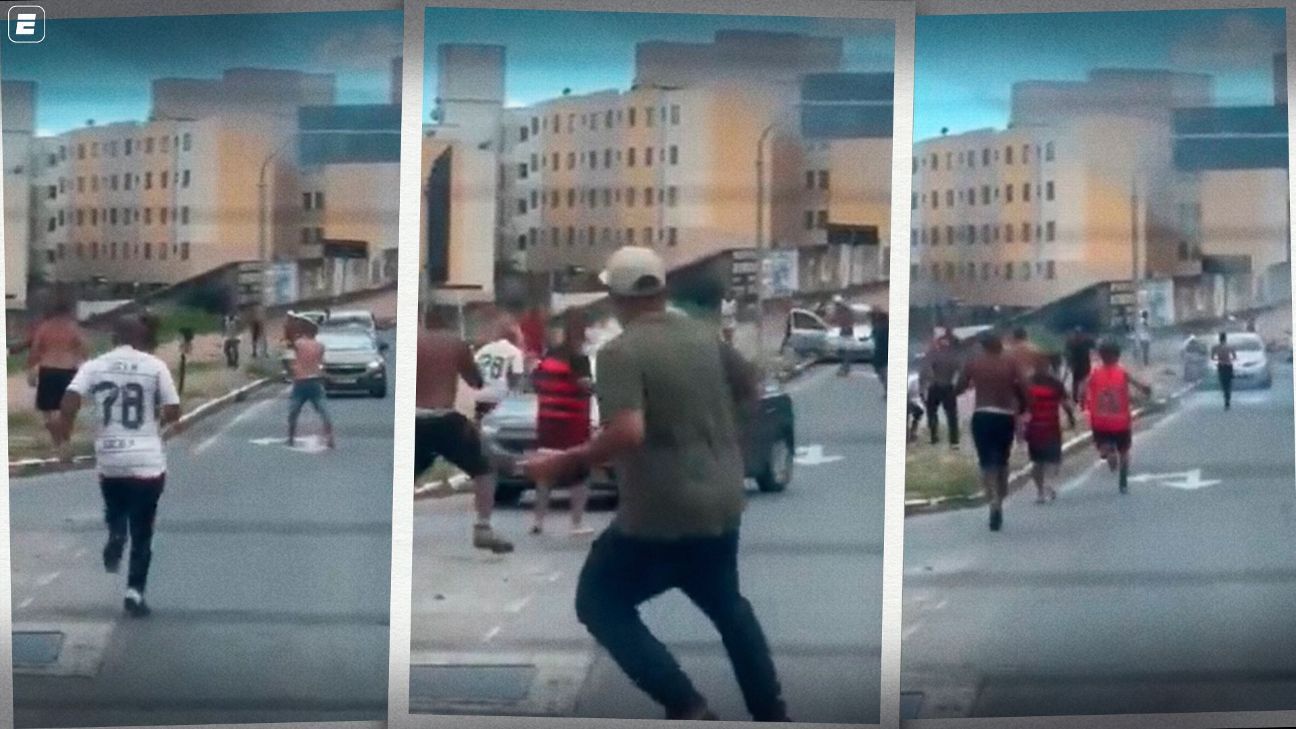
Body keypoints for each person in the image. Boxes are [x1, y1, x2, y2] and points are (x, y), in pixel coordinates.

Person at [522, 246, 789, 722]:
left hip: (658, 512)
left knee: (599, 602)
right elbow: (751, 389)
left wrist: (566, 459)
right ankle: (771, 712)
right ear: (661, 290)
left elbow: (628, 431)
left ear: (615, 297)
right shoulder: (706, 338)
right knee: (728, 606)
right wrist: (724, 444)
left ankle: (685, 704)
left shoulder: (620, 352)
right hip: (721, 501)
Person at [57, 316, 180, 618]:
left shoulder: (95, 366)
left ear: (114, 338)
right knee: (144, 528)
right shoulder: (155, 366)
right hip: (147, 460)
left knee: (115, 505)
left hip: (110, 457)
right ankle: (134, 592)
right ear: (141, 338)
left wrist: (64, 439)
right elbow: (173, 409)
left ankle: (115, 532)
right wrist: (161, 421)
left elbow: (70, 400)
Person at [416, 308, 513, 554]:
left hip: (415, 418)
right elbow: (475, 380)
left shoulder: (414, 342)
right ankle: (483, 527)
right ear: (447, 323)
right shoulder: (455, 343)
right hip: (444, 419)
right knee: (484, 470)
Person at [530, 309, 595, 536]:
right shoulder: (579, 359)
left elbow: (536, 382)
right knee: (579, 471)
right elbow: (585, 386)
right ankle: (576, 523)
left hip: (548, 422)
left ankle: (538, 521)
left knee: (546, 469)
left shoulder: (550, 355)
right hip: (573, 423)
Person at [955, 331, 1027, 532]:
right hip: (1004, 416)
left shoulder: (975, 363)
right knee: (1002, 460)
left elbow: (959, 386)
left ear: (983, 346)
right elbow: (1025, 387)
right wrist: (1027, 408)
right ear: (999, 345)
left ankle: (993, 500)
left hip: (982, 415)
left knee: (986, 462)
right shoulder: (1011, 363)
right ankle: (1000, 496)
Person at [1086, 339, 1152, 494]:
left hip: (1100, 420)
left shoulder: (1095, 373)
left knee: (1103, 443)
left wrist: (1081, 397)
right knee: (1124, 451)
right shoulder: (1122, 372)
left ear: (1101, 356)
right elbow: (1139, 385)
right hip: (1121, 421)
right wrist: (1145, 390)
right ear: (1118, 355)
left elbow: (1083, 388)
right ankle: (1123, 481)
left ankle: (1108, 452)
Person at [26, 294, 88, 458]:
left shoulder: (44, 328)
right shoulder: (73, 328)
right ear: (68, 312)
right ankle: (65, 441)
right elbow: (84, 349)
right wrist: (85, 367)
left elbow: (35, 350)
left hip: (48, 370)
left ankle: (57, 443)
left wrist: (31, 369)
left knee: (49, 411)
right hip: (69, 370)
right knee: (69, 410)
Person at [1024, 354, 1075, 503]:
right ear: (1048, 367)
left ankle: (1040, 492)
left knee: (1037, 461)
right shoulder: (1055, 384)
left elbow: (1020, 406)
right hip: (1051, 427)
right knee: (1053, 460)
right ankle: (1047, 484)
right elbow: (1066, 404)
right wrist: (1071, 419)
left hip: (1033, 427)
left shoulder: (1028, 383)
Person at [285, 315, 335, 449]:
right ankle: (330, 437)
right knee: (323, 411)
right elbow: (321, 363)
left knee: (293, 412)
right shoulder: (320, 346)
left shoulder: (298, 343)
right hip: (315, 382)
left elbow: (290, 354)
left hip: (300, 382)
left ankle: (290, 438)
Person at [472, 317, 526, 423]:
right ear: (515, 338)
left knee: (478, 424)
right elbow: (516, 378)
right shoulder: (514, 351)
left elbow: (473, 368)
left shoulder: (484, 348)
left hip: (476, 395)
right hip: (498, 396)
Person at [921, 330, 961, 449]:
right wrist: (956, 386)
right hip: (948, 386)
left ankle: (934, 437)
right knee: (952, 415)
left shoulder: (934, 354)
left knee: (931, 412)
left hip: (936, 386)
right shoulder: (954, 356)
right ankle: (954, 441)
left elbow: (927, 369)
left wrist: (929, 382)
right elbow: (959, 372)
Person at [1064, 326, 1095, 408]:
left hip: (1082, 365)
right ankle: (1078, 400)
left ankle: (1079, 400)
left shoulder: (1075, 342)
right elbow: (1068, 353)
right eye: (1077, 334)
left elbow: (1068, 353)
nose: (1078, 335)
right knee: (1079, 383)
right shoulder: (1081, 342)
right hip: (1080, 365)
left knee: (1079, 383)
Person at [1211, 331, 1237, 410]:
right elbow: (1234, 357)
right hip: (1228, 366)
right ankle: (1227, 400)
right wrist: (1229, 359)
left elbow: (1212, 357)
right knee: (1229, 384)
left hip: (1221, 366)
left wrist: (1218, 359)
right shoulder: (1230, 347)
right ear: (1225, 338)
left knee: (1223, 383)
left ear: (1219, 339)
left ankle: (1226, 398)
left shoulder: (1215, 347)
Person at [833, 296, 855, 377]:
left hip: (846, 331)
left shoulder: (842, 310)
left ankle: (845, 369)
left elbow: (838, 320)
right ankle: (845, 368)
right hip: (846, 330)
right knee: (845, 351)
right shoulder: (845, 310)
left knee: (845, 351)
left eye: (836, 304)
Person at [872, 309, 890, 396]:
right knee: (879, 371)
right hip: (879, 352)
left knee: (883, 371)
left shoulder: (887, 329)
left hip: (884, 351)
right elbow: (873, 336)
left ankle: (888, 389)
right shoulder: (877, 328)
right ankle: (887, 387)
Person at [907, 372, 924, 443]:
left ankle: (914, 430)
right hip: (909, 400)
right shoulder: (912, 379)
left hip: (917, 403)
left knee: (919, 412)